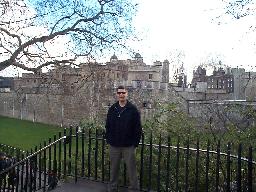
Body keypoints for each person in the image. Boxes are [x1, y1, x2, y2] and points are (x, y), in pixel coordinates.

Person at [105, 85, 142, 192]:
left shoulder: (133, 109)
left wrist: (135, 143)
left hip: (128, 145)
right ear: (117, 94)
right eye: (119, 93)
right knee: (113, 169)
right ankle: (112, 188)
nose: (121, 95)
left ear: (127, 94)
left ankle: (134, 189)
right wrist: (109, 139)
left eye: (123, 93)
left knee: (131, 170)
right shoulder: (113, 109)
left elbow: (137, 128)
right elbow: (108, 125)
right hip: (114, 145)